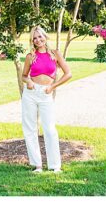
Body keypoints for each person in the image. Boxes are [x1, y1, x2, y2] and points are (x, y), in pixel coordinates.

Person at [20, 26, 73, 173]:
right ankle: (37, 165)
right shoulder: (30, 56)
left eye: (40, 37)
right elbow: (24, 76)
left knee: (49, 129)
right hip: (30, 94)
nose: (38, 40)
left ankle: (55, 166)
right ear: (32, 40)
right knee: (30, 128)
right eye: (34, 38)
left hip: (46, 93)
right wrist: (28, 81)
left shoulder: (55, 54)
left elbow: (68, 74)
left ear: (45, 36)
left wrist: (53, 86)